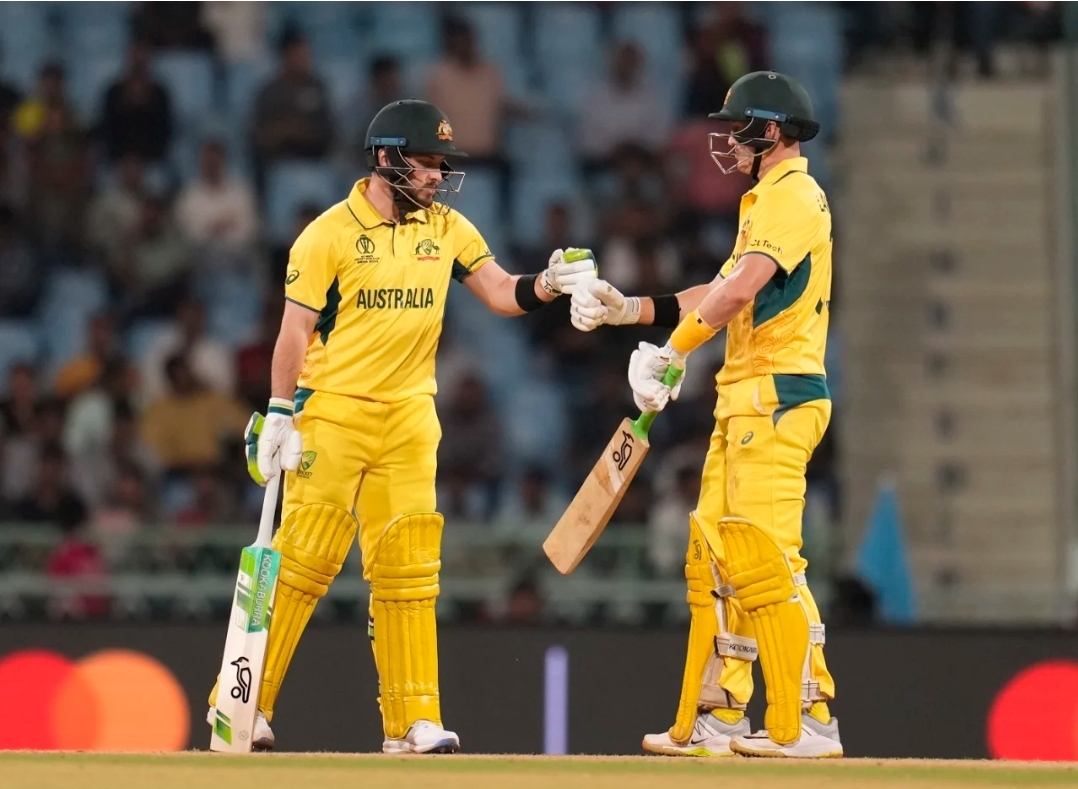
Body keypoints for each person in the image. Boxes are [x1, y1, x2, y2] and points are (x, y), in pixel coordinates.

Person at [207, 99, 597, 754]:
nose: (437, 177)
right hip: (333, 410)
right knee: (303, 559)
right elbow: (294, 331)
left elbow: (501, 292)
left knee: (409, 569)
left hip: (411, 417)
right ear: (386, 159)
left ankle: (413, 721)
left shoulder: (446, 228)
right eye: (426, 163)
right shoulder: (327, 235)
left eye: (442, 165)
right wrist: (278, 409)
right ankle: (245, 704)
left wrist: (549, 283)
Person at [570, 72, 841, 759]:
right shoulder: (765, 200)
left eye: (738, 128)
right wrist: (631, 309)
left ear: (771, 131)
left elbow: (740, 289)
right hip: (743, 398)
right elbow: (718, 289)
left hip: (777, 397)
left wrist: (674, 350)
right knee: (717, 560)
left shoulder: (794, 195)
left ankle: (810, 717)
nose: (728, 142)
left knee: (768, 559)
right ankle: (720, 713)